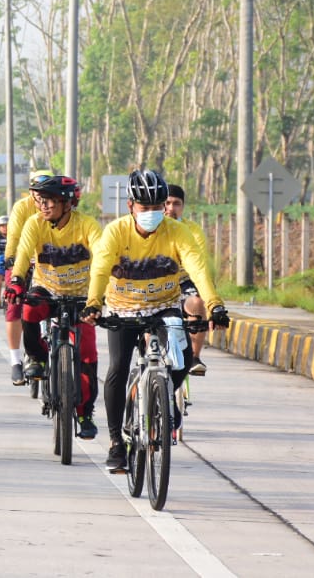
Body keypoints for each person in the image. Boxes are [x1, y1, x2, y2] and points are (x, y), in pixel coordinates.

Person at [82, 168, 228, 473]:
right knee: (118, 368)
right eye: (144, 208)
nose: (151, 213)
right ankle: (115, 443)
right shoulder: (116, 232)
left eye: (156, 207)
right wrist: (94, 302)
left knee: (183, 358)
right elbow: (99, 270)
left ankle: (161, 403)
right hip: (122, 308)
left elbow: (198, 269)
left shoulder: (177, 231)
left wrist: (214, 305)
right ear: (131, 207)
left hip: (163, 306)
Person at [8, 174, 102, 439]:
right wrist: (16, 282)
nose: (44, 205)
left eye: (51, 201)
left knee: (87, 353)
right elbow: (24, 255)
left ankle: (84, 414)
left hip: (81, 295)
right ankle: (36, 355)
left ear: (68, 203)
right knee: (28, 310)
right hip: (46, 289)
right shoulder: (34, 224)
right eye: (41, 201)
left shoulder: (87, 225)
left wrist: (100, 296)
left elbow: (102, 257)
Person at [2, 169, 53, 384]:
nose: (42, 196)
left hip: (48, 262)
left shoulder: (56, 206)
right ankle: (15, 360)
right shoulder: (21, 208)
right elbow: (14, 236)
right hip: (23, 260)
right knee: (15, 306)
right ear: (31, 191)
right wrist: (11, 261)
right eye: (37, 191)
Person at [164, 183, 216, 376]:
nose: (170, 208)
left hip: (185, 283)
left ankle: (194, 357)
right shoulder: (152, 229)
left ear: (183, 207)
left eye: (176, 204)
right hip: (156, 284)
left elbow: (201, 268)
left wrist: (211, 305)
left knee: (197, 303)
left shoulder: (192, 231)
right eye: (166, 203)